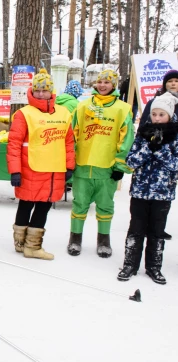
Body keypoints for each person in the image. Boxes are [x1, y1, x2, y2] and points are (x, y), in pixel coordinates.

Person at [7, 69, 76, 260]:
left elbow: (68, 142)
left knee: (44, 206)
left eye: (45, 90)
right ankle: (20, 243)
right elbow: (14, 144)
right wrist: (15, 170)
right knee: (26, 204)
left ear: (51, 91)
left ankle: (33, 246)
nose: (40, 94)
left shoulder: (64, 113)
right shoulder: (24, 114)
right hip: (31, 168)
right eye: (37, 90)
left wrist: (69, 166)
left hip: (54, 170)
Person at [68, 69, 134, 257]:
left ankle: (104, 240)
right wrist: (70, 161)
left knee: (105, 205)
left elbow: (127, 138)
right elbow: (72, 134)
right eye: (100, 82)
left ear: (114, 85)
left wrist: (120, 166)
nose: (103, 85)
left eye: (107, 82)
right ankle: (75, 238)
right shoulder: (83, 106)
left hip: (107, 168)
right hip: (83, 165)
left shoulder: (122, 108)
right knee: (79, 203)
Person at [118, 92, 178, 284]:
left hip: (162, 194)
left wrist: (160, 149)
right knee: (136, 228)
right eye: (154, 114)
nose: (157, 118)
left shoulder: (174, 136)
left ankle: (154, 267)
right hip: (140, 192)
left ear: (169, 115)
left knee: (157, 231)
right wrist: (148, 148)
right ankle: (129, 264)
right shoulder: (143, 134)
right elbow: (131, 161)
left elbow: (175, 166)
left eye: (162, 114)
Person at [137, 70, 178, 240]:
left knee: (163, 198)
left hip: (170, 152)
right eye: (170, 81)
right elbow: (145, 122)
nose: (173, 84)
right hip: (150, 152)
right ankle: (143, 226)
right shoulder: (155, 101)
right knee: (143, 204)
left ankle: (159, 227)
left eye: (176, 81)